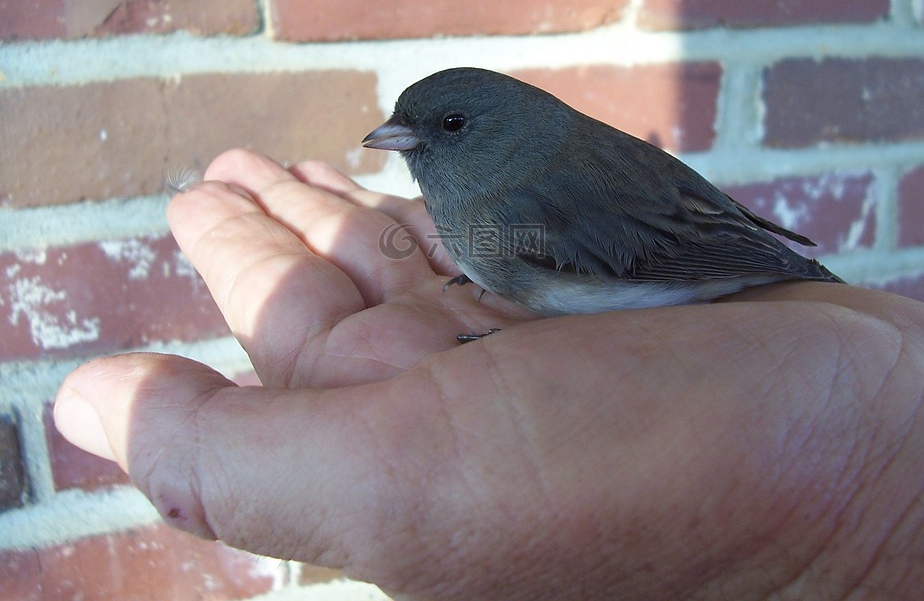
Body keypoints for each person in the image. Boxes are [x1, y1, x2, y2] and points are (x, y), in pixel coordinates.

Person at [55, 149, 924, 600]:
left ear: (492, 136)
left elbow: (668, 248)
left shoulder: (524, 203)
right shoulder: (496, 194)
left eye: (444, 129)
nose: (404, 144)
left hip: (685, 261)